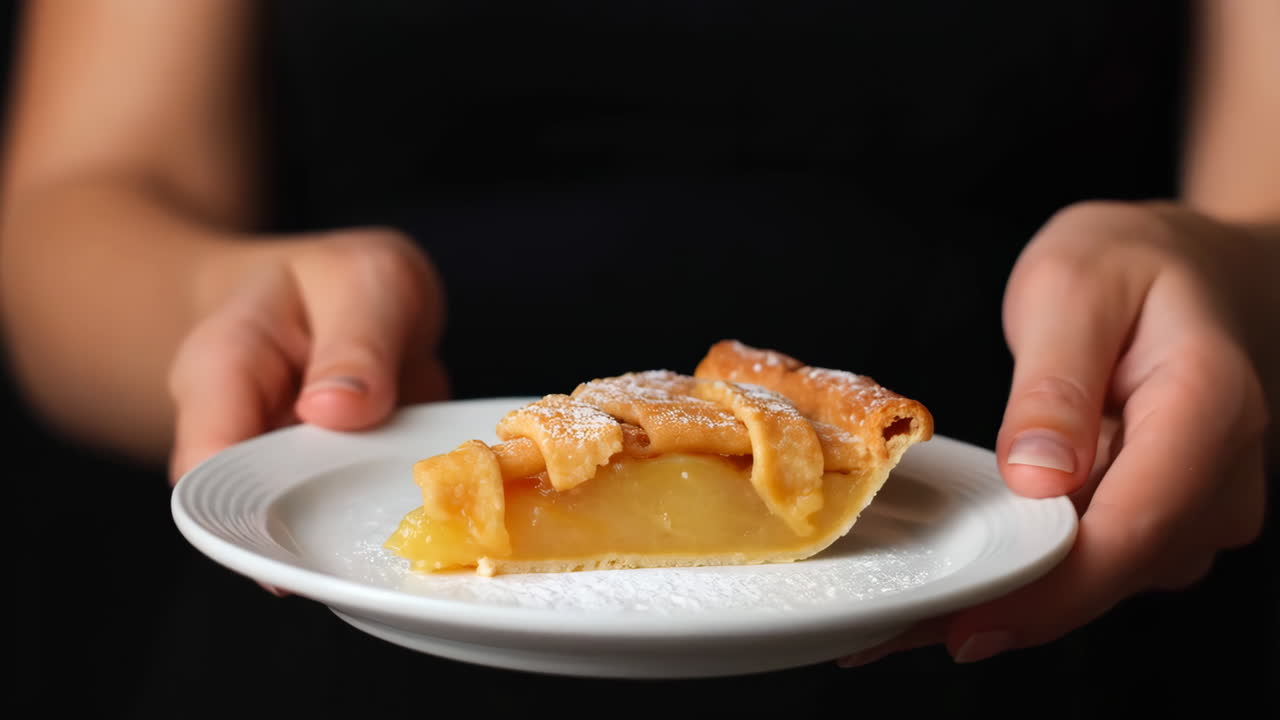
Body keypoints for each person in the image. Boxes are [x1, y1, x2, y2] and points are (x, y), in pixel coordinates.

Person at [3, 0, 1276, 711]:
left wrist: (1227, 277)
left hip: (1034, 613)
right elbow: (73, 211)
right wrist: (218, 302)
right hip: (327, 668)